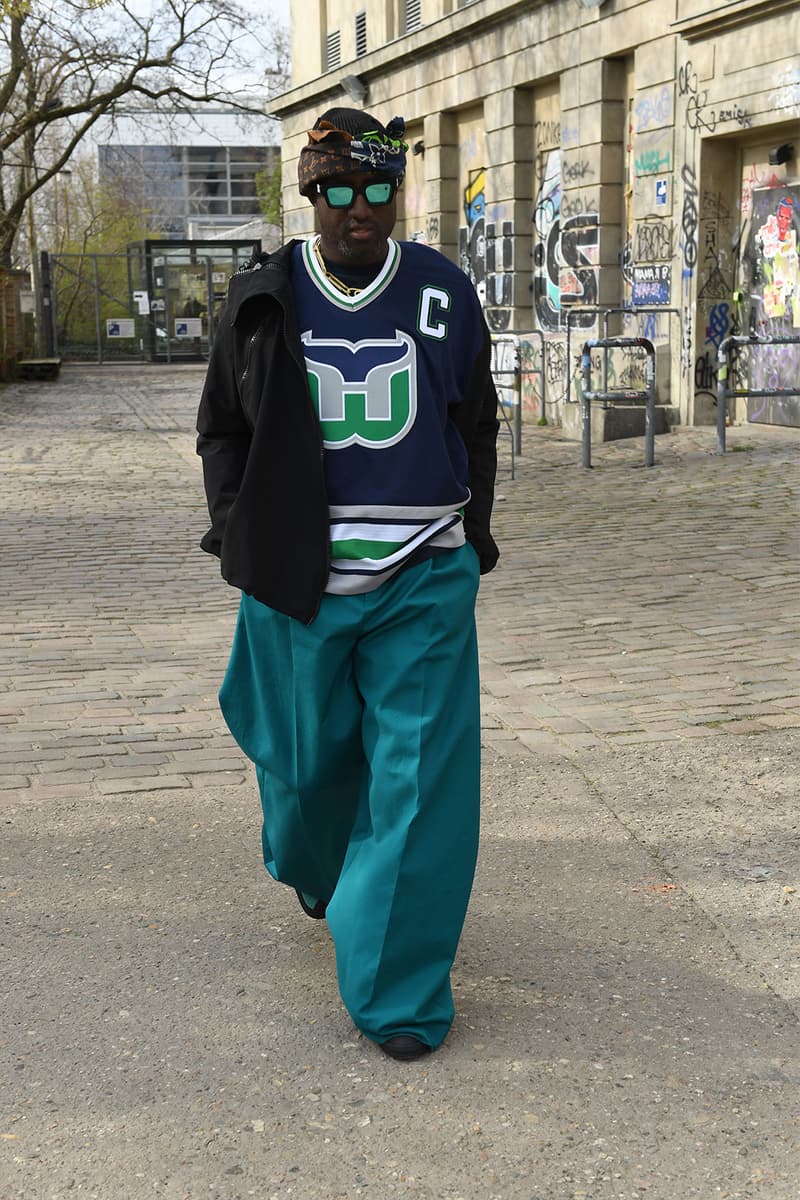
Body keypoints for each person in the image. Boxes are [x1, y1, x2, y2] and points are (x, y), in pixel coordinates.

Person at [196, 107, 499, 1062]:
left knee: (419, 788)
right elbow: (222, 429)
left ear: (396, 192)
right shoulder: (264, 298)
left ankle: (397, 997)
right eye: (339, 191)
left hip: (423, 577)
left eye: (377, 189)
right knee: (302, 777)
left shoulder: (444, 292)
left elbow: (476, 419)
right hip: (298, 583)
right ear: (311, 193)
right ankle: (317, 867)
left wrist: (472, 535)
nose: (359, 208)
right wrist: (238, 533)